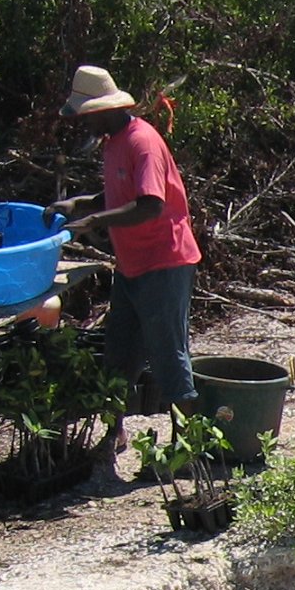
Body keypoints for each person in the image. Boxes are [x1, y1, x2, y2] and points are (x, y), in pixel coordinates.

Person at [49, 65, 202, 417]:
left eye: (86, 116)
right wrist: (81, 203)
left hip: (164, 261)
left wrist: (92, 221)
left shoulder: (142, 142)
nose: (84, 124)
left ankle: (187, 447)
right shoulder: (114, 143)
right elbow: (121, 193)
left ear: (104, 110)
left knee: (168, 355)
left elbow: (150, 205)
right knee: (120, 353)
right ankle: (114, 435)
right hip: (132, 263)